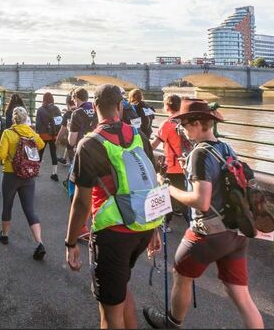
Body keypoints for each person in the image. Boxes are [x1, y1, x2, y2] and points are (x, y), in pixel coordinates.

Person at [143, 99, 263, 329]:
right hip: (236, 231)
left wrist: (168, 187)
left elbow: (201, 201)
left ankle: (172, 322)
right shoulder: (226, 148)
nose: (182, 130)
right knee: (239, 293)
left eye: (184, 125)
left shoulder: (199, 154)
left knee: (181, 273)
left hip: (208, 233)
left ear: (197, 123)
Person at [65, 84, 162, 330]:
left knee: (109, 313)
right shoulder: (139, 136)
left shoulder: (89, 144)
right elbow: (150, 181)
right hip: (143, 227)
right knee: (121, 286)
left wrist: (71, 242)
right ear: (120, 106)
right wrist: (156, 228)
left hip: (112, 234)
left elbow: (82, 202)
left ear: (95, 107)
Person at [0, 106, 47, 260]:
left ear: (13, 118)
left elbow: (1, 154)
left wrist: (5, 158)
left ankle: (4, 235)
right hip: (28, 176)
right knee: (29, 209)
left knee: (8, 205)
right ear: (25, 119)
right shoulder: (31, 132)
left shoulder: (8, 133)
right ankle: (39, 243)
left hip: (11, 174)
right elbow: (41, 144)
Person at [149, 94, 189, 229]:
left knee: (166, 194)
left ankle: (166, 223)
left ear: (167, 106)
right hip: (187, 164)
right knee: (182, 191)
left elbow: (154, 145)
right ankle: (188, 219)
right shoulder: (186, 120)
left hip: (172, 165)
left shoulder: (167, 124)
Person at [35, 91, 63, 181]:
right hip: (53, 135)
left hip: (43, 135)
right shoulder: (57, 109)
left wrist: (37, 134)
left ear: (44, 100)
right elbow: (59, 122)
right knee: (53, 154)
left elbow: (38, 125)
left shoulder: (40, 110)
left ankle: (37, 171)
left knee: (40, 153)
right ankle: (54, 173)